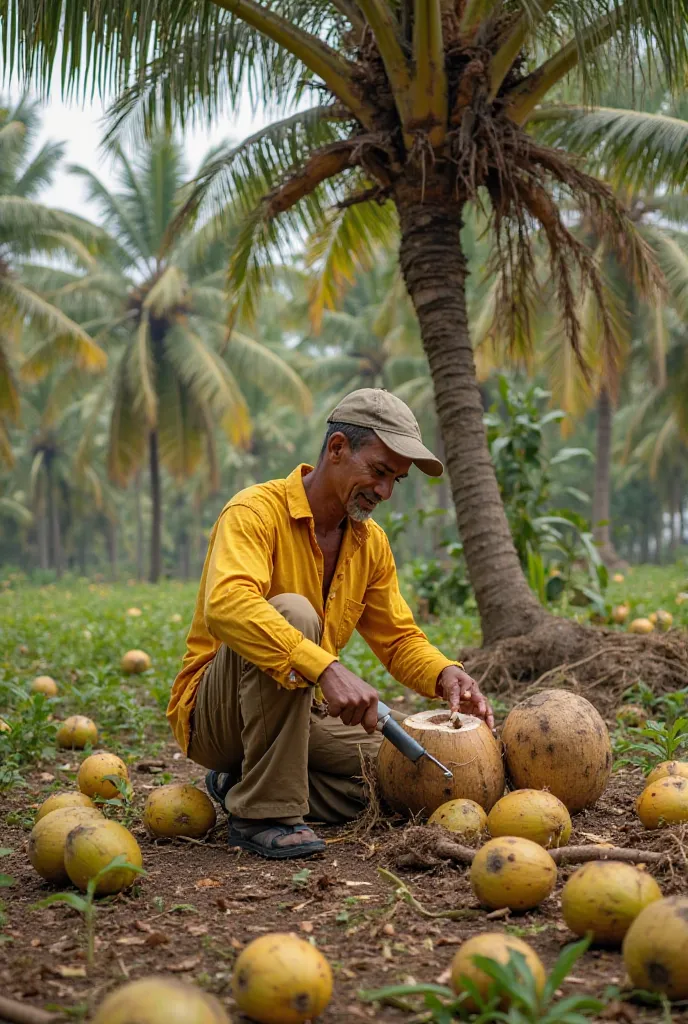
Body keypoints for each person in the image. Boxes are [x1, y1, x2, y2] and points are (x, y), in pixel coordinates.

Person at [168, 388, 494, 859]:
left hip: (301, 708)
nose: (383, 491)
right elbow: (228, 604)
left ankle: (243, 783)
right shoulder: (254, 512)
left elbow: (399, 638)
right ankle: (263, 813)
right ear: (337, 448)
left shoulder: (370, 543)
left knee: (416, 774)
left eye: (395, 481)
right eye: (379, 472)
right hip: (215, 717)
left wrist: (445, 672)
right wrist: (323, 667)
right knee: (294, 613)